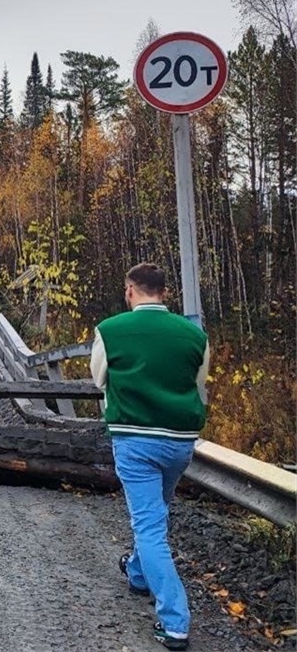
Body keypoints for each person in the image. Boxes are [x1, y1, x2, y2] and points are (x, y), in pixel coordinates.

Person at [90, 262, 209, 651]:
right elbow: (198, 385)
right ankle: (139, 573)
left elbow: (98, 378)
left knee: (149, 528)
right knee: (156, 511)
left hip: (135, 440)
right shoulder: (195, 336)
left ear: (130, 291)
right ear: (164, 292)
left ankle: (175, 622)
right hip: (179, 442)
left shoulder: (111, 330)